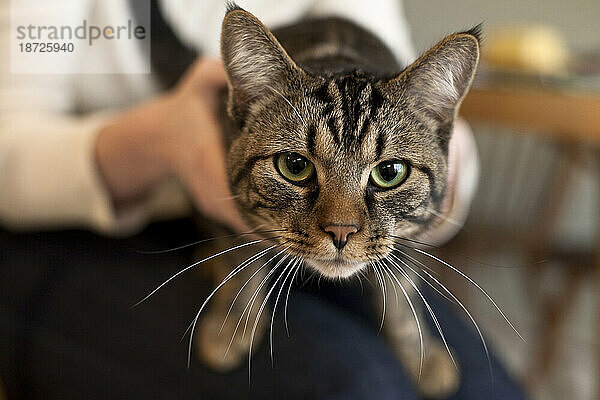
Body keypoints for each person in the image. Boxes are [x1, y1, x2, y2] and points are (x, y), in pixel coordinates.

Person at [0, 1, 523, 399]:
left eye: (387, 172)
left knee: (485, 389)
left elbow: (390, 82)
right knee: (356, 384)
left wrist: (444, 152)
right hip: (68, 236)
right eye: (297, 166)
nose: (340, 223)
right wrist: (163, 140)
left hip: (298, 233)